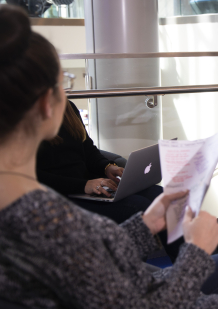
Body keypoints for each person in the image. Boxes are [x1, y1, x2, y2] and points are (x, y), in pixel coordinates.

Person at [0, 5, 218, 309]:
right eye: (62, 83)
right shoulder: (53, 221)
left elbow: (86, 265)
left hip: (133, 298)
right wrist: (196, 253)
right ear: (45, 104)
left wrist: (145, 226)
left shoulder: (13, 211)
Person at [36, 100, 182, 261]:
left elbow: (88, 150)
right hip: (58, 195)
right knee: (137, 207)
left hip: (87, 189)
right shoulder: (20, 116)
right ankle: (135, 277)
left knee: (161, 195)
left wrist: (107, 167)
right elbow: (33, 176)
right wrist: (83, 185)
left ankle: (184, 263)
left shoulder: (67, 106)